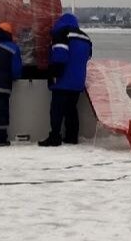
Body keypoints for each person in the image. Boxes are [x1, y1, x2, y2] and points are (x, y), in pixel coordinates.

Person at [39, 13, 92, 146]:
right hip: (78, 81)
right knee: (71, 110)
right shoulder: (86, 37)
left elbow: (59, 56)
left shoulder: (61, 34)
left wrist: (53, 75)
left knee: (56, 110)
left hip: (63, 79)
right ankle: (72, 136)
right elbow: (88, 56)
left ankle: (55, 137)